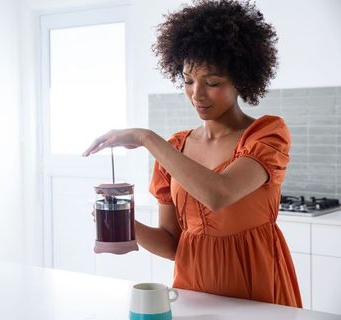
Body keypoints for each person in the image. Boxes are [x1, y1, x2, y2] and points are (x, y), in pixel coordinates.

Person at [83, 0, 302, 308]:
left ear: (241, 79)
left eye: (212, 83)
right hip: (192, 292)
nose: (196, 94)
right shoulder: (175, 149)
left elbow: (219, 193)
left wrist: (146, 138)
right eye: (187, 80)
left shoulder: (267, 134)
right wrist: (124, 221)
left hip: (257, 288)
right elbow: (173, 244)